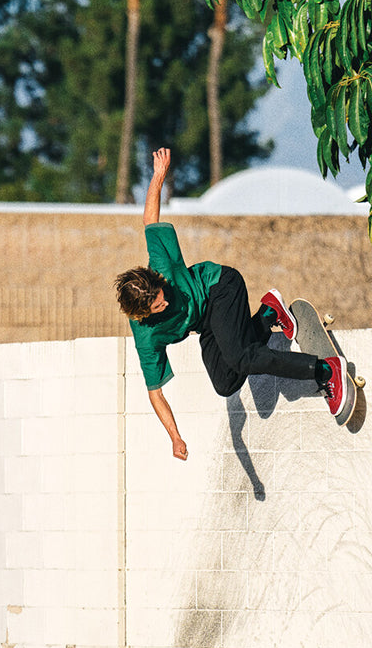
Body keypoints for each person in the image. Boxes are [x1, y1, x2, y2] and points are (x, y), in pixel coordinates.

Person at [114, 147, 349, 461]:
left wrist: (158, 177)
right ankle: (268, 314)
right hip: (207, 323)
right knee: (226, 382)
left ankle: (323, 370)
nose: (166, 300)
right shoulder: (147, 337)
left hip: (221, 287)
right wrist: (175, 437)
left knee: (241, 357)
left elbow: (149, 220)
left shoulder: (160, 267)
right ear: (143, 315)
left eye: (162, 293)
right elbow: (155, 394)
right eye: (159, 306)